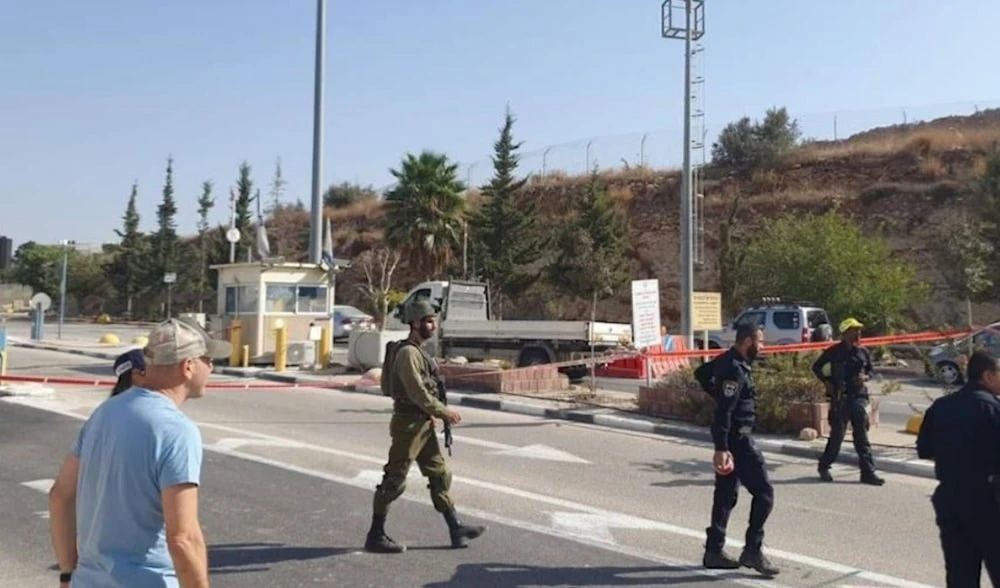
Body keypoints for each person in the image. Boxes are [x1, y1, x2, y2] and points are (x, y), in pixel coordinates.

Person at [48, 318, 231, 588]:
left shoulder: (104, 413)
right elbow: (183, 538)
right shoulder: (175, 429)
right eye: (208, 359)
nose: (213, 367)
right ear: (188, 366)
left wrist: (67, 572)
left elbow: (60, 496)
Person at [365, 299, 486, 554]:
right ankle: (375, 535)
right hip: (408, 426)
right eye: (429, 321)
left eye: (434, 320)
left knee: (439, 475)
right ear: (416, 323)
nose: (433, 325)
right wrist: (444, 413)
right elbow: (417, 392)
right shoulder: (408, 353)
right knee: (394, 480)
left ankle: (456, 528)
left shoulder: (419, 351)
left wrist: (432, 415)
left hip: (421, 423)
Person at [917, 350, 1000, 586]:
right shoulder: (994, 410)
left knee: (960, 576)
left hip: (951, 500)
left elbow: (924, 449)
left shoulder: (941, 407)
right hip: (989, 503)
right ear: (988, 376)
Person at [703, 323, 779, 576]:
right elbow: (724, 411)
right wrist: (722, 448)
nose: (763, 346)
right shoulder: (734, 369)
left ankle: (713, 550)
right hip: (739, 441)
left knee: (725, 494)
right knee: (765, 493)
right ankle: (753, 550)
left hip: (733, 440)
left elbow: (701, 373)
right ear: (747, 341)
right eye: (761, 341)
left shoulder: (729, 361)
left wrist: (716, 392)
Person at [812, 317, 885, 485]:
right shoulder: (834, 351)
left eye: (859, 330)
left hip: (859, 397)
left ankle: (868, 472)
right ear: (845, 334)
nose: (858, 333)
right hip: (841, 398)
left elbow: (870, 371)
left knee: (862, 437)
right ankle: (824, 466)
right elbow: (816, 367)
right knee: (837, 436)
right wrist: (827, 382)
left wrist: (865, 377)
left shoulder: (863, 352)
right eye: (854, 330)